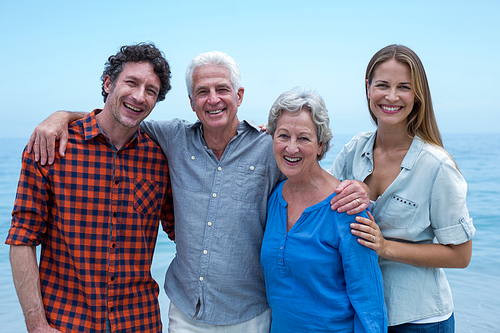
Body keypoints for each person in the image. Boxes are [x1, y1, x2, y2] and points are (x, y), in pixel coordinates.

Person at [27, 51, 370, 332]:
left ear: (239, 96)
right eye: (202, 92)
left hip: (251, 315)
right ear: (191, 102)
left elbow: (311, 172)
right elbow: (121, 116)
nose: (213, 99)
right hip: (184, 313)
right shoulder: (171, 138)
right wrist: (60, 117)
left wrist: (354, 189)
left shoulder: (271, 147)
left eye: (222, 89)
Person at [6, 43, 175, 333]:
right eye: (131, 83)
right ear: (108, 83)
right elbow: (23, 239)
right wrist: (36, 325)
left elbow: (187, 235)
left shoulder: (159, 159)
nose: (139, 96)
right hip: (65, 323)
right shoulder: (51, 146)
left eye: (151, 91)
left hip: (140, 323)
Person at [329, 44, 475, 332]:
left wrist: (386, 247)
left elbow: (461, 255)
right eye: (383, 85)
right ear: (368, 87)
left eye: (404, 87)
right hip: (363, 312)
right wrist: (272, 142)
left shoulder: (437, 166)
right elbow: (320, 203)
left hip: (418, 320)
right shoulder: (353, 150)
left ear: (417, 95)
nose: (392, 96)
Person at [261, 88, 387, 332]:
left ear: (321, 145)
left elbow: (369, 303)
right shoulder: (274, 198)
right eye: (283, 136)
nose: (291, 148)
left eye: (304, 138)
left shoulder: (347, 207)